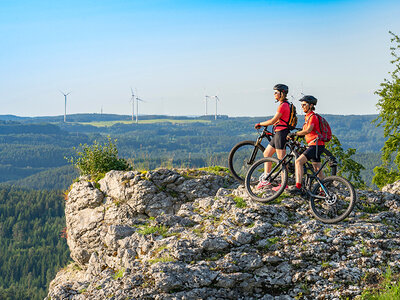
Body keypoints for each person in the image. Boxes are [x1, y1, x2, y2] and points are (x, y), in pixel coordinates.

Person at [254, 84, 291, 190]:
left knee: (281, 160)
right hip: (278, 133)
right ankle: (266, 179)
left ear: (282, 93)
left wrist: (261, 123)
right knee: (267, 153)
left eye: (276, 92)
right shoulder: (284, 104)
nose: (274, 94)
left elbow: (273, 120)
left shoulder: (283, 105)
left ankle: (284, 185)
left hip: (281, 133)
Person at [287, 95, 325, 195]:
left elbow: (308, 130)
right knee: (317, 169)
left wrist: (294, 134)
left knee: (298, 162)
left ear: (311, 105)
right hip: (316, 145)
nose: (302, 107)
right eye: (302, 105)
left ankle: (298, 187)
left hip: (315, 145)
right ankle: (323, 192)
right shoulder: (308, 117)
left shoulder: (312, 117)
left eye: (304, 105)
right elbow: (307, 132)